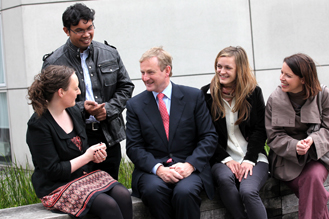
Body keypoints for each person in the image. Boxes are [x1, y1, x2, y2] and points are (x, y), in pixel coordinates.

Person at [26, 65, 132, 219]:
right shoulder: (38, 125)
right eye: (75, 88)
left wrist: (95, 155)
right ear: (61, 92)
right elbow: (53, 171)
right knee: (107, 205)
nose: (79, 92)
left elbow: (82, 150)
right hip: (57, 186)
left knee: (123, 194)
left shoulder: (74, 111)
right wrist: (87, 157)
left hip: (83, 177)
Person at [42, 3, 134, 180]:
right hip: (74, 138)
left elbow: (126, 87)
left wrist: (109, 109)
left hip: (108, 135)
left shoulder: (110, 53)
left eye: (89, 27)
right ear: (66, 30)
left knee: (111, 187)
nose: (86, 34)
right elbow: (49, 104)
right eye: (79, 30)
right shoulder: (53, 62)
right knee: (84, 193)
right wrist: (82, 109)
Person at [126, 47, 218, 219]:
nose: (145, 78)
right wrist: (158, 169)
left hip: (189, 166)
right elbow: (134, 147)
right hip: (152, 171)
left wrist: (190, 165)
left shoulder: (193, 96)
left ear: (167, 70)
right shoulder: (134, 105)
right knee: (154, 191)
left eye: (150, 72)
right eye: (142, 72)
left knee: (185, 192)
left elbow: (209, 137)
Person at [265, 53, 329, 219]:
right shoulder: (274, 100)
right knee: (316, 194)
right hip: (286, 162)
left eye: (288, 75)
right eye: (281, 72)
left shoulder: (323, 95)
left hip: (317, 158)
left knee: (313, 178)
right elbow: (273, 136)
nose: (281, 78)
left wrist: (313, 140)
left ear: (303, 79)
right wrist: (294, 146)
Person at [201, 46, 269, 219]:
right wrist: (227, 159)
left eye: (228, 68)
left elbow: (260, 130)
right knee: (224, 180)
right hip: (221, 158)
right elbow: (204, 134)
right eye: (219, 66)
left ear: (240, 69)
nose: (221, 71)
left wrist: (249, 159)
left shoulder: (253, 93)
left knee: (248, 191)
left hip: (253, 157)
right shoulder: (205, 95)